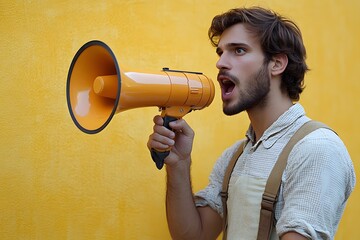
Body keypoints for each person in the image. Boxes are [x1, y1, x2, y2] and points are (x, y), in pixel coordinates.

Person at [147, 6, 356, 240]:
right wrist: (179, 164)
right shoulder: (234, 157)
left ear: (276, 64)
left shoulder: (317, 149)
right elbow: (193, 236)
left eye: (238, 50)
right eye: (220, 53)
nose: (220, 63)